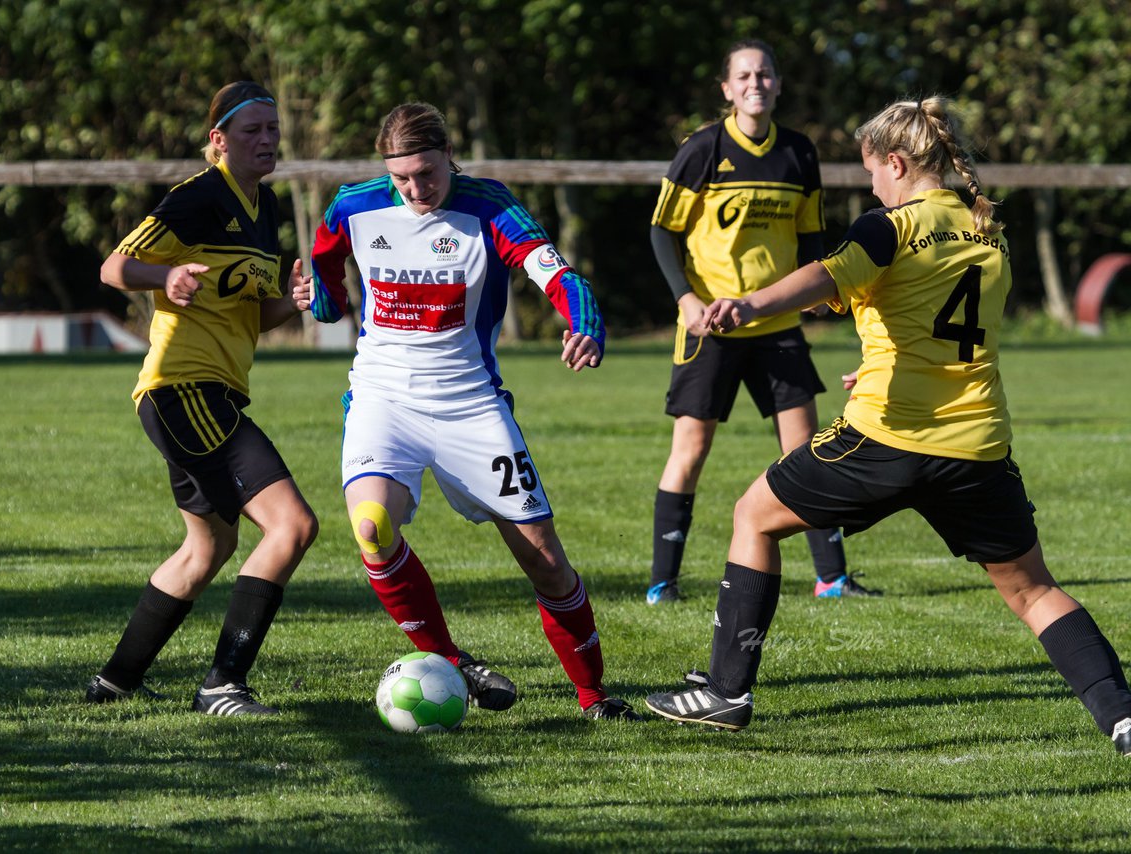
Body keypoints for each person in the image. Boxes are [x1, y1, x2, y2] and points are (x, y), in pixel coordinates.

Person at [643, 96, 1131, 757]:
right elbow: (941, 328)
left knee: (753, 515)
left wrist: (747, 303)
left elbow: (821, 278)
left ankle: (727, 691)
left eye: (871, 170)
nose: (870, 183)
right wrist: (875, 363)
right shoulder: (987, 229)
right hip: (977, 447)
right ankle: (1124, 719)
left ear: (896, 163)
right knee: (1034, 589)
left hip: (888, 438)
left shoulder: (888, 227)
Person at [302, 101, 642, 721]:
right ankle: (452, 665)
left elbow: (557, 273)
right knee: (373, 530)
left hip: (470, 403)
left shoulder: (489, 206)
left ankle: (594, 696)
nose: (414, 190)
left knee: (545, 560)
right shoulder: (354, 204)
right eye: (401, 178)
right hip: (383, 397)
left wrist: (584, 324)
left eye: (427, 174)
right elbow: (326, 271)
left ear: (449, 157)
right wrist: (321, 300)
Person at [87, 81, 318, 717]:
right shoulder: (198, 197)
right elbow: (112, 268)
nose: (268, 140)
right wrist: (166, 275)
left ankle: (113, 684)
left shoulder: (264, 206)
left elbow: (253, 316)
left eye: (273, 130)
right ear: (218, 141)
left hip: (204, 395)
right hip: (182, 388)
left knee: (206, 550)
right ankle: (223, 684)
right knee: (292, 525)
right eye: (253, 132)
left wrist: (291, 303)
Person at [646, 39, 877, 605]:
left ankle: (832, 578)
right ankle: (662, 582)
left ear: (777, 84)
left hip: (776, 326)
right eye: (744, 75)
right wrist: (686, 301)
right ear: (727, 89)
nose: (756, 83)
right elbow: (660, 230)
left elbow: (810, 237)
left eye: (765, 74)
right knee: (692, 449)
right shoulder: (703, 149)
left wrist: (817, 289)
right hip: (711, 328)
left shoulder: (798, 152)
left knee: (811, 448)